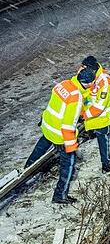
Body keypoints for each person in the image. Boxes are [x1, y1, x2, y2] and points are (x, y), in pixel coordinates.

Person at [25, 66, 96, 203]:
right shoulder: (76, 98)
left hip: (48, 126)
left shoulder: (63, 84)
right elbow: (68, 125)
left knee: (40, 148)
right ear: (87, 84)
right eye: (93, 83)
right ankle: (60, 195)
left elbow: (60, 105)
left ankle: (28, 169)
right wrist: (71, 146)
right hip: (59, 134)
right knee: (68, 164)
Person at [79, 56, 110, 173]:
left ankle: (106, 166)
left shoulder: (105, 82)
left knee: (103, 144)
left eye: (83, 67)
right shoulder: (90, 73)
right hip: (89, 117)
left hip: (100, 120)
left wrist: (83, 116)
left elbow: (99, 106)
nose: (80, 70)